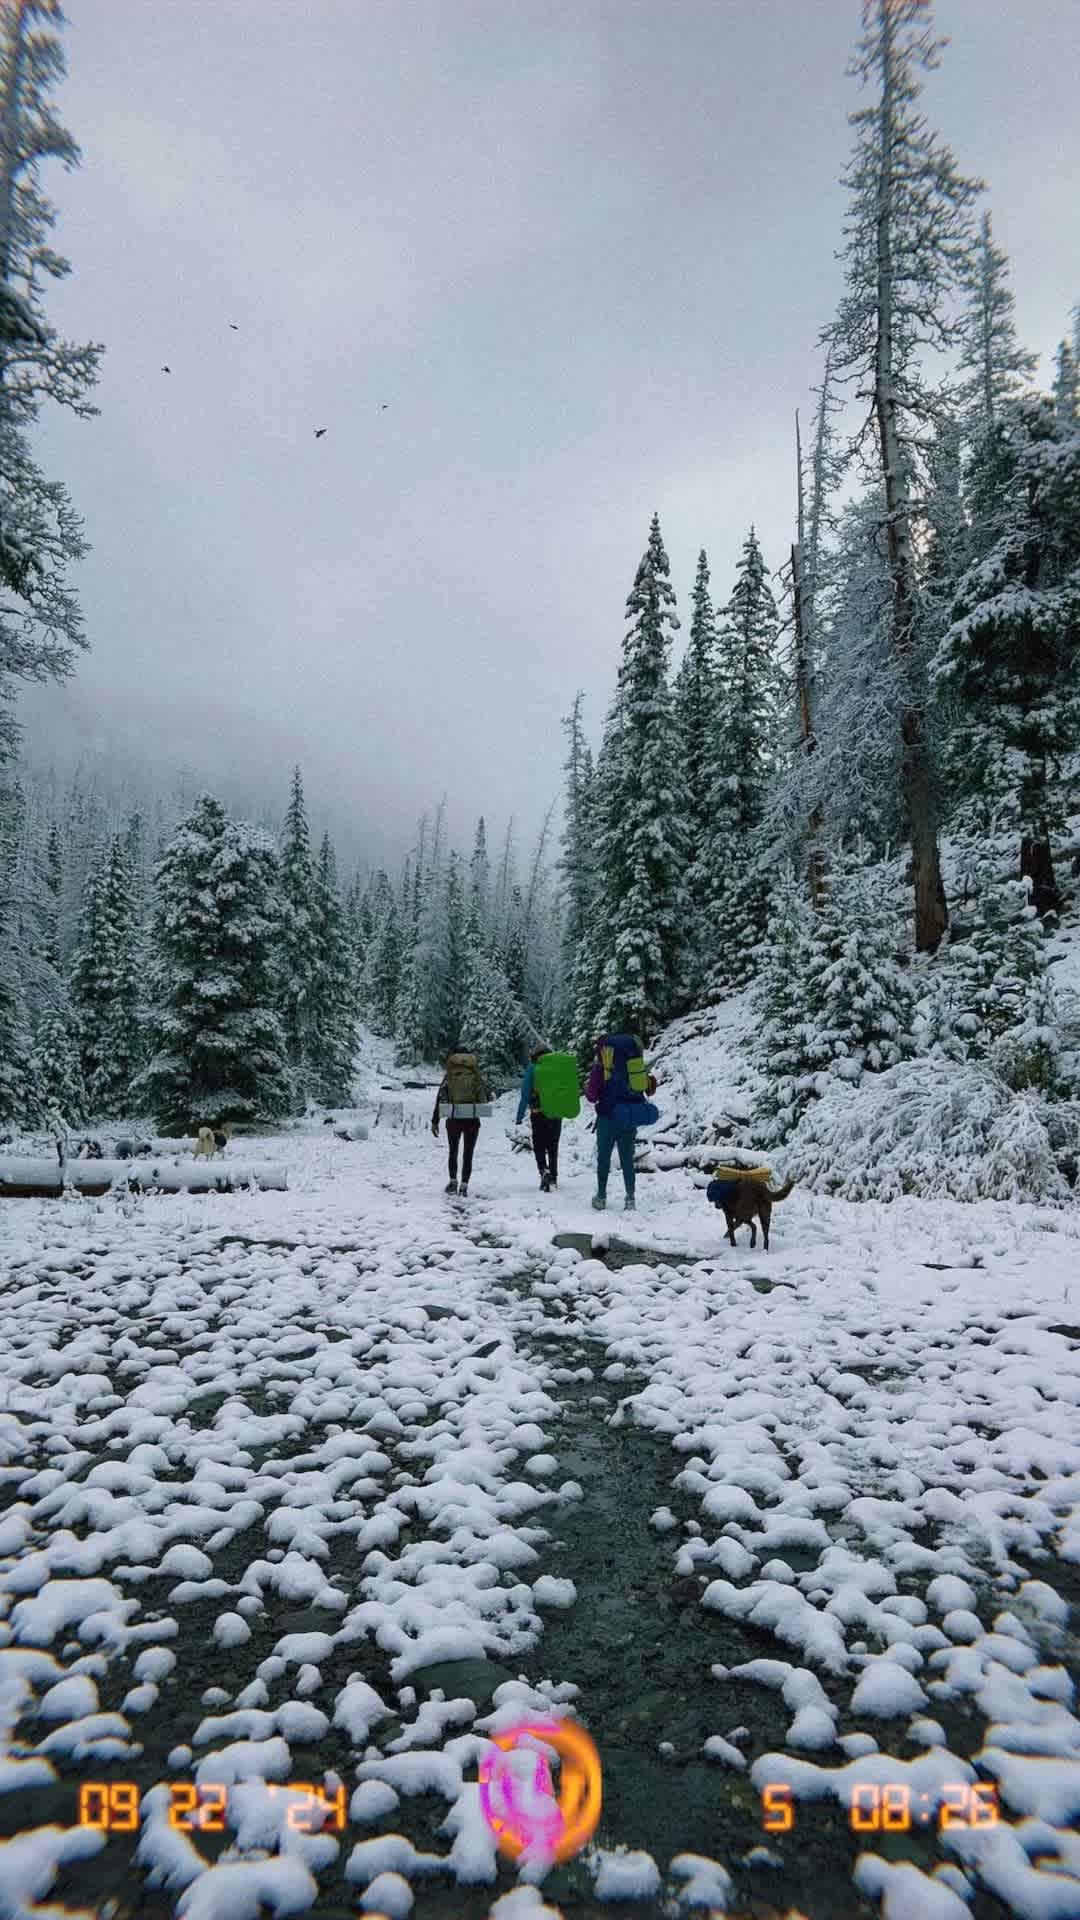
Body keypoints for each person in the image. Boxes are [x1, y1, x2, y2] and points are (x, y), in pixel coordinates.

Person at [584, 1033, 658, 1213]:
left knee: (604, 1159)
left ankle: (601, 1197)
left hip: (607, 1119)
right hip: (628, 1119)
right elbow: (650, 1089)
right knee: (627, 1160)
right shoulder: (634, 1068)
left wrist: (591, 1088)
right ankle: (630, 1199)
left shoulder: (601, 1069)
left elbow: (592, 1097)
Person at [431, 1046, 493, 1196]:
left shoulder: (450, 1074)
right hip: (471, 1119)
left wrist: (435, 1120)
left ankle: (453, 1182)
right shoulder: (475, 1073)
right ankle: (464, 1185)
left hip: (453, 1119)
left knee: (453, 1151)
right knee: (468, 1152)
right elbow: (483, 1099)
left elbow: (440, 1097)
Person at [516, 1044, 561, 1192]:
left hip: (538, 1113)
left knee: (539, 1145)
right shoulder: (557, 1066)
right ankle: (553, 1176)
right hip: (555, 1112)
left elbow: (525, 1094)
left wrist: (519, 1116)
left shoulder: (532, 1068)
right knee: (553, 1145)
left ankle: (544, 1170)